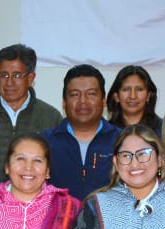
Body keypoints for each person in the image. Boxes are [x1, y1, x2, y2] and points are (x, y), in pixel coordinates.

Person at [0, 43, 63, 166]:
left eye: (17, 75)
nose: (9, 83)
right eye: (4, 75)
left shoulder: (51, 117)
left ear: (30, 78)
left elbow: (57, 164)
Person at [44, 64, 120, 202]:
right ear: (64, 102)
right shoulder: (44, 142)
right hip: (58, 216)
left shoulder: (122, 141)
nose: (83, 101)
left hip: (110, 216)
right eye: (75, 94)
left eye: (91, 94)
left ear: (103, 101)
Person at [107, 65, 162, 133]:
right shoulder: (106, 132)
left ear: (148, 96)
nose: (132, 96)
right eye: (126, 89)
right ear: (116, 97)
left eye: (139, 89)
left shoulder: (163, 129)